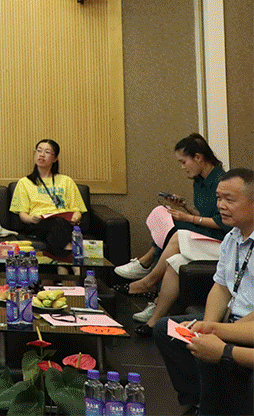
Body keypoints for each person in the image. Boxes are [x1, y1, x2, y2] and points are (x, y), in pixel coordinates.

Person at [152, 168, 254, 415]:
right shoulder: (232, 238)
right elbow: (220, 287)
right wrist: (207, 325)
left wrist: (214, 330)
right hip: (231, 321)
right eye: (218, 198)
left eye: (229, 199)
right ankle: (197, 400)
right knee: (165, 329)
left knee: (208, 347)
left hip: (246, 328)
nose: (220, 206)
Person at [118, 134, 227, 328]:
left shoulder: (221, 181)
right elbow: (204, 216)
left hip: (221, 240)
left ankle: (147, 275)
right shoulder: (199, 181)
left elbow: (223, 223)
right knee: (174, 259)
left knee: (177, 233)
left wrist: (188, 218)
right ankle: (154, 319)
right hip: (206, 234)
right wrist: (185, 207)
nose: (182, 167)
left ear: (198, 157)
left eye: (183, 162)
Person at [9, 139, 87, 255]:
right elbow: (22, 215)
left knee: (58, 226)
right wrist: (31, 219)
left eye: (47, 152)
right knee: (58, 226)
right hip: (38, 224)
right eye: (39, 151)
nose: (41, 155)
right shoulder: (25, 182)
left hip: (63, 223)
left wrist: (75, 218)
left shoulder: (66, 181)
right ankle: (69, 256)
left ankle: (61, 260)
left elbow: (77, 209)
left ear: (55, 158)